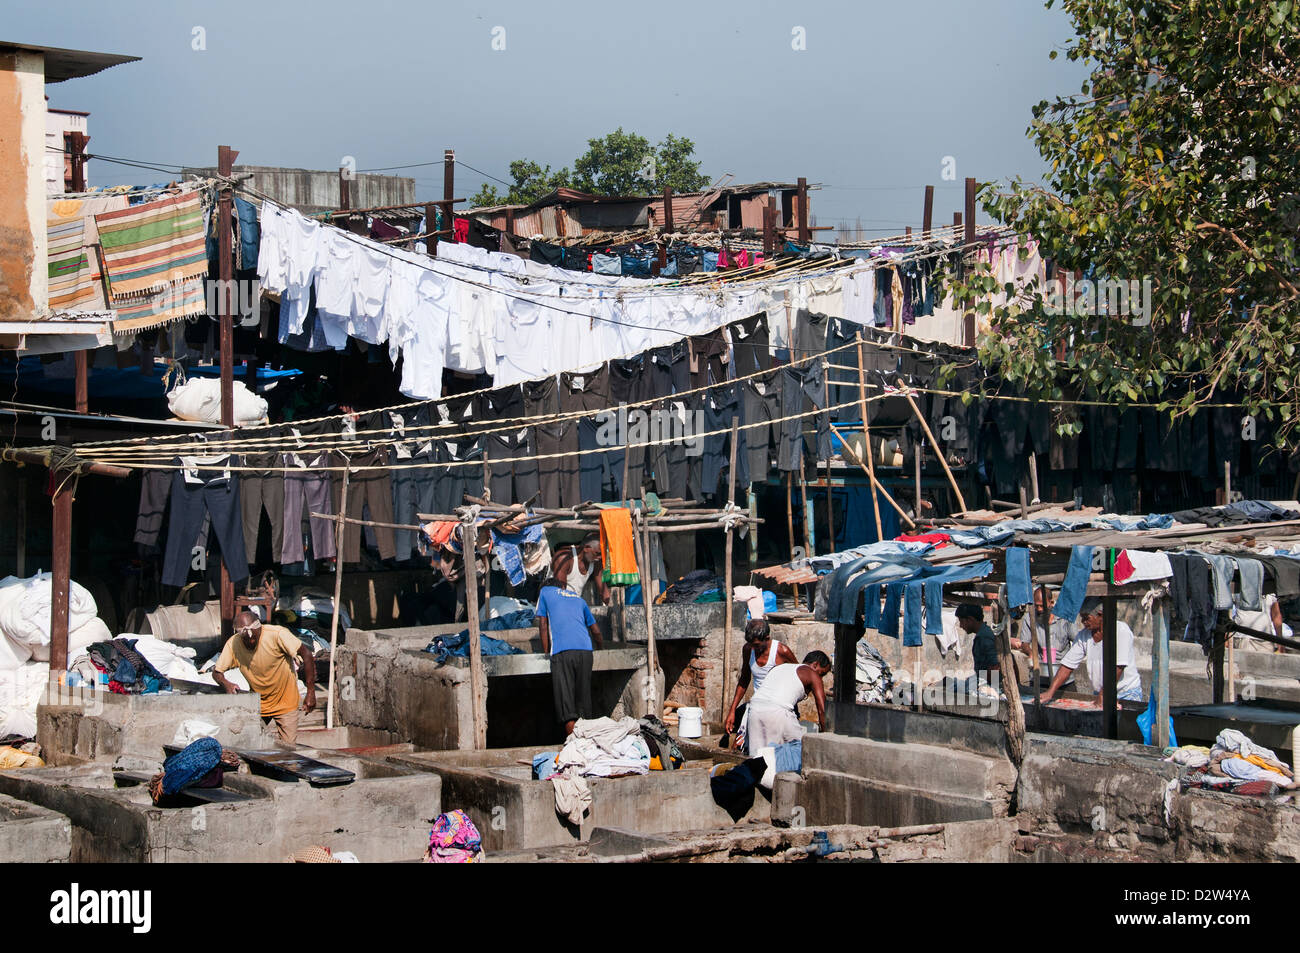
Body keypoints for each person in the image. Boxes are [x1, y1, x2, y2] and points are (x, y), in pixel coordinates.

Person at [212, 610, 316, 744]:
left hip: (285, 702)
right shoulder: (233, 643)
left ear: (260, 629)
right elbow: (217, 672)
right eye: (246, 640)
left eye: (254, 638)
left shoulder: (277, 634)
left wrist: (311, 692)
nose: (250, 641)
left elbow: (306, 654)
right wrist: (226, 683)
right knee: (250, 744)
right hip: (258, 704)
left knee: (288, 750)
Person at [1040, 597, 1143, 705]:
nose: (1083, 622)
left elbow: (1118, 667)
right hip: (1100, 692)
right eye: (1082, 618)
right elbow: (1067, 665)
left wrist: (1103, 695)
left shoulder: (1121, 630)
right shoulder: (1083, 636)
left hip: (1125, 693)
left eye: (1087, 618)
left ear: (1100, 615)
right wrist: (1050, 692)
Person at [536, 580, 604, 736]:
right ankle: (587, 746)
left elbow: (543, 624)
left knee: (567, 707)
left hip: (562, 651)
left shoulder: (545, 591)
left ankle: (574, 747)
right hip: (586, 652)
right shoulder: (578, 599)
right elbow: (596, 631)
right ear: (563, 587)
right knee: (583, 702)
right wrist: (601, 649)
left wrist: (546, 652)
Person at [723, 619, 799, 751]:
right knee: (740, 747)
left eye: (757, 645)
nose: (754, 649)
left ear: (767, 638)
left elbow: (799, 677)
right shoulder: (748, 649)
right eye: (752, 645)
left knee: (777, 748)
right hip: (758, 706)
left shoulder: (782, 651)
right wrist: (732, 711)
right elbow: (744, 679)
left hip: (779, 707)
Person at [745, 651, 831, 751]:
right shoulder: (812, 674)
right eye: (822, 673)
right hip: (777, 712)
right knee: (803, 752)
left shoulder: (780, 667)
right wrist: (827, 739)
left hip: (754, 709)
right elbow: (822, 710)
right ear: (815, 665)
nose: (821, 678)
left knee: (758, 756)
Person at [1009, 587, 1076, 689]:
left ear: (1051, 603)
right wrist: (1031, 653)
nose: (1039, 609)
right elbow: (1024, 643)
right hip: (1040, 676)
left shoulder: (1065, 618)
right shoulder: (1030, 617)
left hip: (1064, 678)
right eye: (1037, 606)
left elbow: (1078, 642)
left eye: (1042, 606)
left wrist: (1069, 661)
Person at [550, 533, 611, 605]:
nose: (600, 557)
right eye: (597, 553)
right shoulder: (564, 558)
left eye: (602, 555)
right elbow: (560, 593)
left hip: (573, 605)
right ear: (586, 548)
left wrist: (613, 605)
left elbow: (603, 591)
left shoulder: (596, 560)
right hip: (554, 604)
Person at [955, 603, 1001, 686]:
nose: (961, 625)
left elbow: (995, 666)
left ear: (970, 620)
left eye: (961, 621)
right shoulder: (984, 633)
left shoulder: (984, 637)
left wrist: (983, 685)